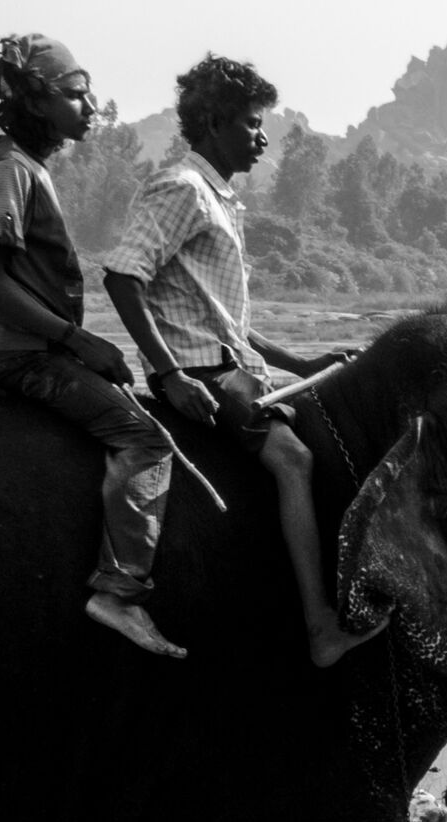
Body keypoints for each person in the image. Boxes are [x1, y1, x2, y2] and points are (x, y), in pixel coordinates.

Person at [102, 55, 378, 668]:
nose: (262, 137)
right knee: (293, 459)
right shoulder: (182, 188)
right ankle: (320, 628)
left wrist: (303, 362)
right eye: (253, 123)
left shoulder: (220, 198)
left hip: (226, 361)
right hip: (202, 372)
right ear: (214, 122)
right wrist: (170, 373)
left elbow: (232, 324)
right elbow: (123, 275)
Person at [0, 35, 182, 658]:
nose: (90, 106)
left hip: (45, 348)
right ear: (35, 101)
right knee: (146, 439)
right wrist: (77, 339)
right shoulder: (8, 170)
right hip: (25, 355)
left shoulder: (29, 169)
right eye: (76, 94)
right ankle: (121, 589)